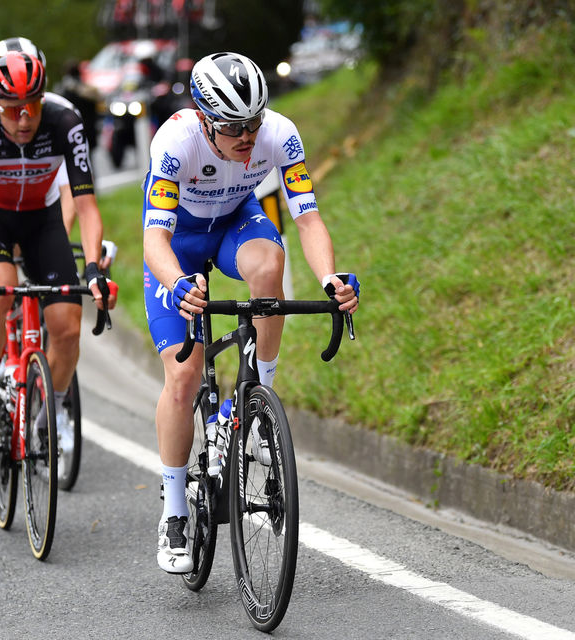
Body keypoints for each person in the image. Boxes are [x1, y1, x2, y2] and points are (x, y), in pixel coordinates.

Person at [142, 52, 360, 573]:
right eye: (232, 127)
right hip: (180, 245)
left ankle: (258, 395)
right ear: (202, 118)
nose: (247, 136)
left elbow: (307, 219)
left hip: (237, 222)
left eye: (254, 122)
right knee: (184, 376)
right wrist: (175, 284)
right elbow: (155, 236)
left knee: (270, 264)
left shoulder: (280, 134)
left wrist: (329, 278)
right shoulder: (174, 142)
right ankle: (174, 509)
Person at [0, 39, 114, 455]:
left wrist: (93, 267)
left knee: (67, 326)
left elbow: (87, 206)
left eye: (32, 105)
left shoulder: (64, 121)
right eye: (11, 107)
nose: (23, 119)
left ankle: (50, 415)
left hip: (43, 220)